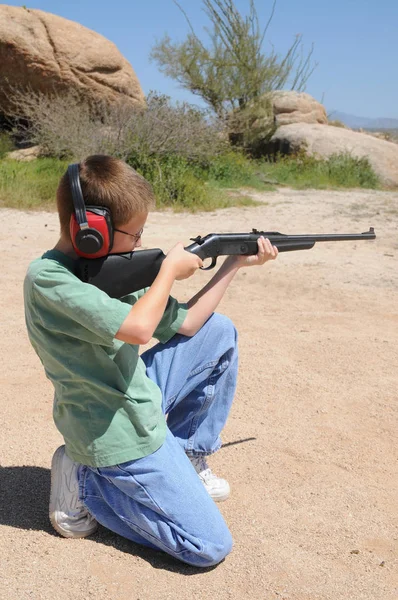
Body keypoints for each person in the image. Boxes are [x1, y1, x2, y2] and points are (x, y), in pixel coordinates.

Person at [23, 155, 278, 568]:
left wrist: (232, 264)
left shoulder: (102, 270)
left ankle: (188, 455)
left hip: (136, 397)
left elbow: (191, 323)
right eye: (135, 233)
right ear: (91, 232)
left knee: (218, 330)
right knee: (208, 546)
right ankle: (88, 484)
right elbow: (140, 329)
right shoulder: (50, 280)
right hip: (110, 432)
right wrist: (167, 274)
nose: (140, 243)